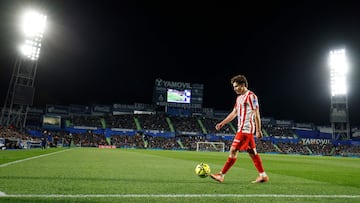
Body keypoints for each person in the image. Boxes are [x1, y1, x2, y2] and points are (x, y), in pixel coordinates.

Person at [210, 74, 269, 183]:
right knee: (253, 153)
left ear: (243, 85)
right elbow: (234, 113)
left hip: (245, 130)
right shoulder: (239, 98)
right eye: (234, 87)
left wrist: (258, 130)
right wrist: (222, 123)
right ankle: (263, 175)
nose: (235, 89)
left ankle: (221, 175)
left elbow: (256, 113)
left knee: (233, 150)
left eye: (236, 86)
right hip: (243, 130)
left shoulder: (251, 96)